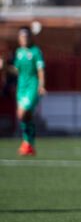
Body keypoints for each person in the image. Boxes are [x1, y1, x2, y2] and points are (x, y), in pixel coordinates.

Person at [1, 27, 46, 156]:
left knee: (23, 113)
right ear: (19, 39)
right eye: (22, 37)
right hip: (21, 87)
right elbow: (16, 70)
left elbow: (40, 70)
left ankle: (27, 142)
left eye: (26, 36)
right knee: (24, 116)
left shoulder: (36, 51)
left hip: (32, 86)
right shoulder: (19, 52)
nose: (24, 39)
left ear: (30, 38)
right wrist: (4, 67)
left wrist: (41, 85)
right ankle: (28, 144)